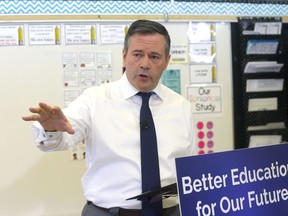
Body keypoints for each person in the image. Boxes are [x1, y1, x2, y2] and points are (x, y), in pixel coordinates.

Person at [22, 19, 195, 216]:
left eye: (154, 57)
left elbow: (188, 167)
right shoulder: (95, 99)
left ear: (166, 61)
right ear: (124, 56)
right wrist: (51, 129)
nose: (145, 64)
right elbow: (58, 140)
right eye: (137, 54)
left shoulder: (181, 107)